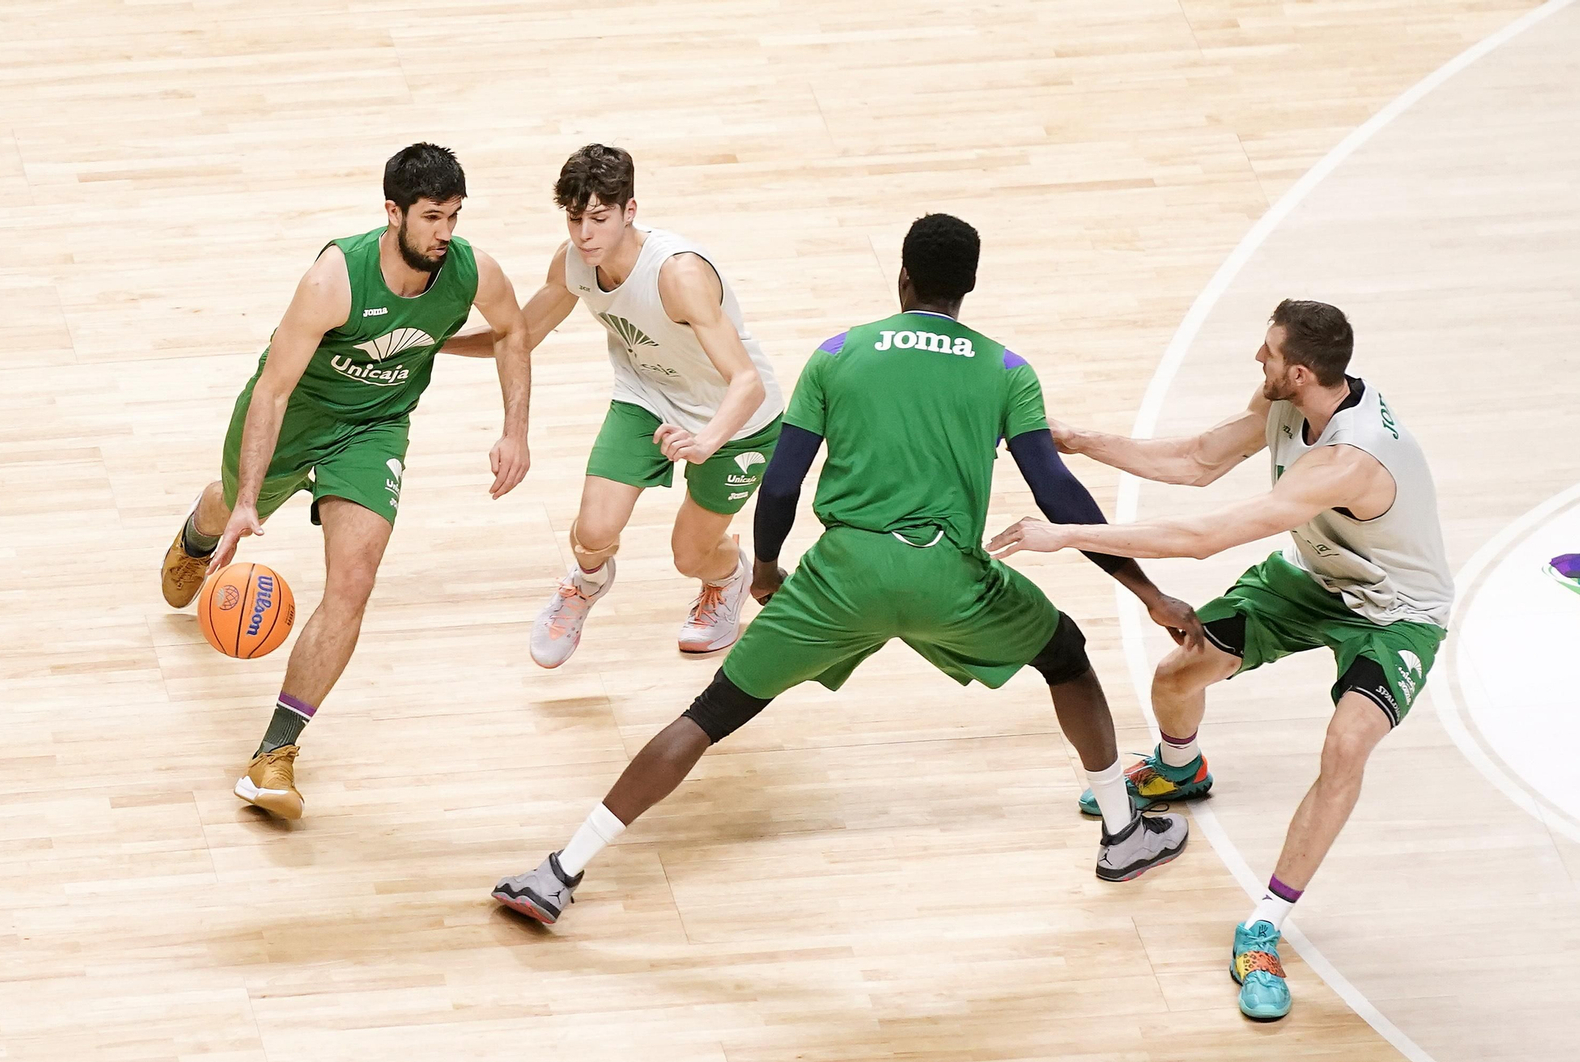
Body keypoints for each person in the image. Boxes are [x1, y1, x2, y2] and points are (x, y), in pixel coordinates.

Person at [491, 213, 1201, 924]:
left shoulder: (837, 353)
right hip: (948, 577)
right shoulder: (1007, 370)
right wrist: (1147, 592)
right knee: (1067, 656)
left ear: (903, 276)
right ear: (970, 287)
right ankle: (1121, 833)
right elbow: (1058, 492)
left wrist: (766, 571)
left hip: (839, 577)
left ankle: (559, 871)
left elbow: (781, 484)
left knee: (708, 716)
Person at [987, 299, 1453, 1021]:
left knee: (1345, 747)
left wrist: (1068, 534)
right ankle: (1181, 767)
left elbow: (1207, 536)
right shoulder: (1292, 404)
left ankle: (1264, 925)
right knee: (1178, 672)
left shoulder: (1346, 460)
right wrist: (1076, 438)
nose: (1256, 361)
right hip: (1316, 579)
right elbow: (1199, 460)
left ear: (1299, 372)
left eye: (1266, 353)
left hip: (1395, 615)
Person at [159, 143, 533, 820]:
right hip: (293, 417)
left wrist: (516, 430)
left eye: (453, 216)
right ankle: (198, 531)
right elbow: (272, 393)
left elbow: (513, 332)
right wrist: (246, 501)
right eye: (430, 218)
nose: (444, 233)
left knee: (352, 586)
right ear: (393, 213)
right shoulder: (333, 280)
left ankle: (274, 755)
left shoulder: (473, 271)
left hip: (373, 431)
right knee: (228, 508)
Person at [445, 144, 783, 663]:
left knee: (689, 554)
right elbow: (521, 334)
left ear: (630, 211)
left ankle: (727, 577)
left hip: (735, 424)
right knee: (593, 532)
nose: (585, 235)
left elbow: (747, 381)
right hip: (647, 397)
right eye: (575, 219)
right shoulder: (573, 263)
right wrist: (434, 341)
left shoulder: (678, 275)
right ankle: (586, 582)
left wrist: (706, 439)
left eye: (599, 219)